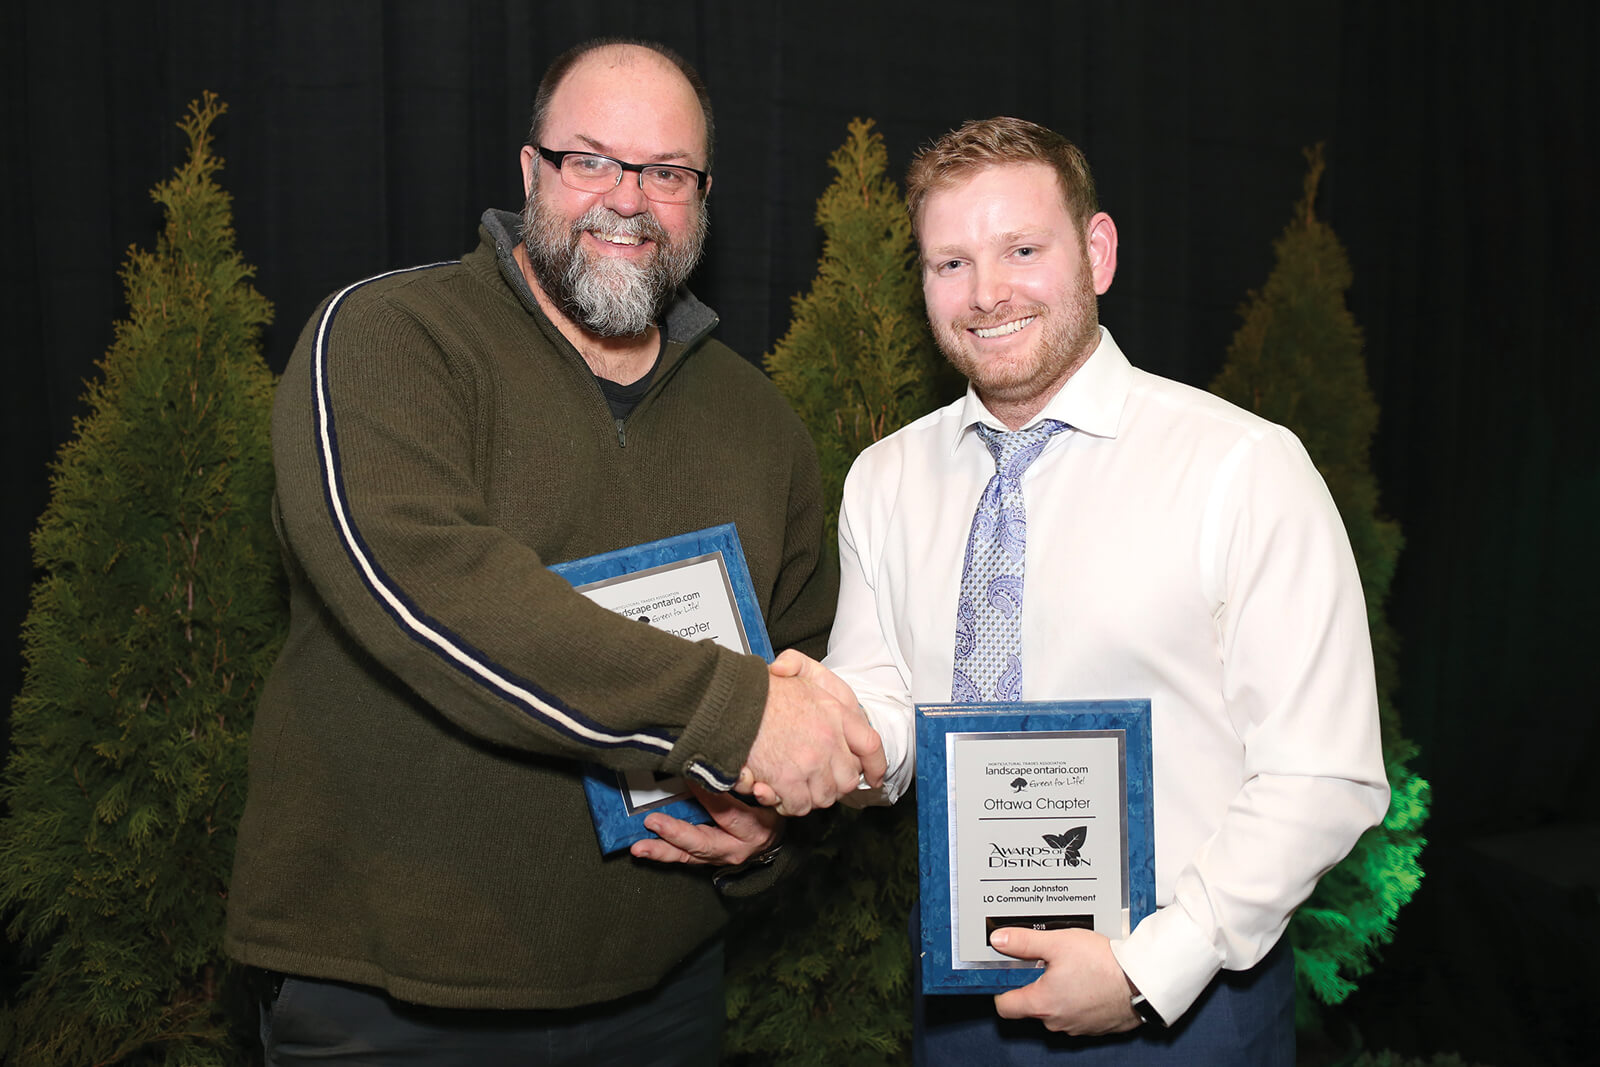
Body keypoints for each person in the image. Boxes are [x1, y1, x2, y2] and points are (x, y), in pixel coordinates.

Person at [225, 37, 881, 1066]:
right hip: (393, 1000)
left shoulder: (759, 422)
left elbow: (806, 672)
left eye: (666, 173)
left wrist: (772, 834)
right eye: (590, 160)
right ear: (529, 171)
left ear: (700, 201)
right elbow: (428, 590)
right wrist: (733, 716)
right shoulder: (387, 336)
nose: (627, 199)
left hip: (663, 994)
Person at [823, 117, 1390, 1065]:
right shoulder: (884, 480)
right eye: (950, 262)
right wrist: (809, 735)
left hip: (1184, 1008)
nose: (987, 292)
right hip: (958, 1002)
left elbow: (1323, 775)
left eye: (1022, 250)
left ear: (1097, 252)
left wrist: (1145, 969)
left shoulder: (1242, 469)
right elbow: (886, 705)